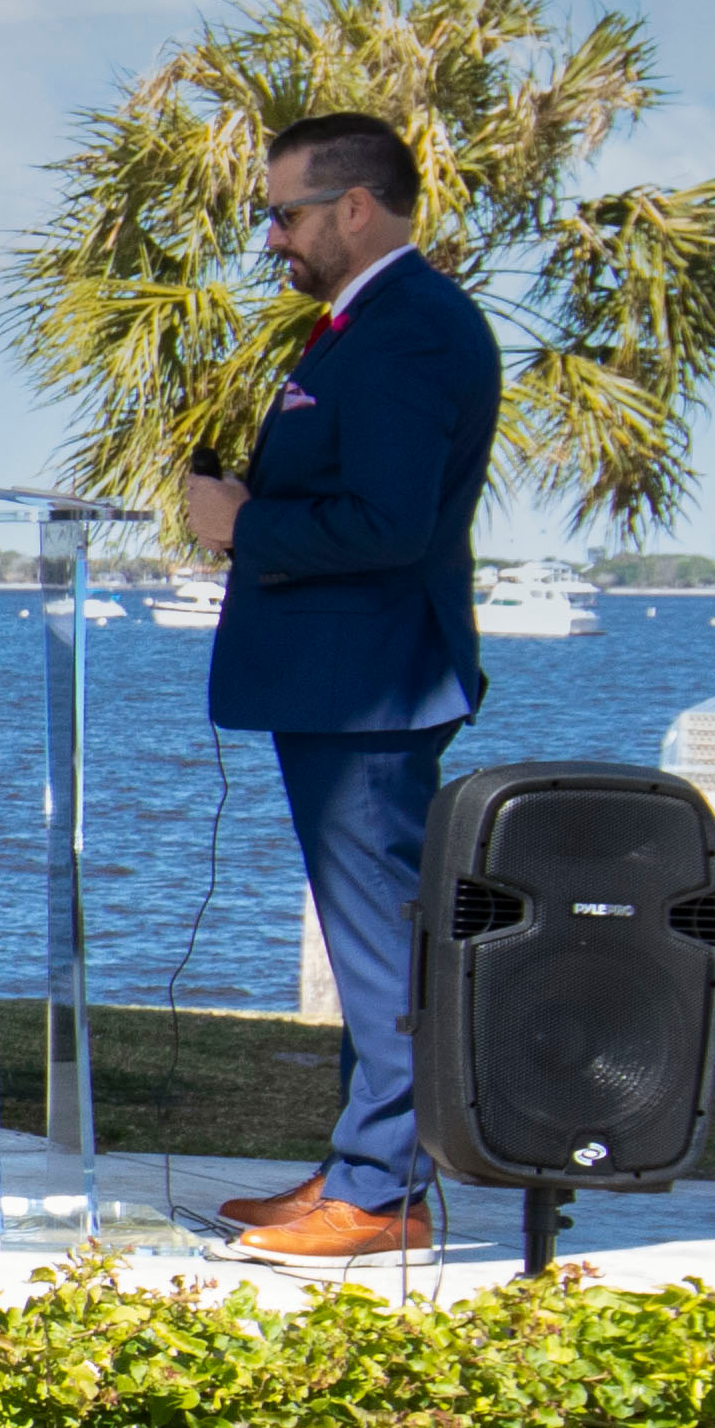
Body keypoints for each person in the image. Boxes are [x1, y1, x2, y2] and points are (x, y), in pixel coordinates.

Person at [188, 116, 503, 1262]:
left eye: (285, 212)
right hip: (339, 674)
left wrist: (243, 523)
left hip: (372, 682)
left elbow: (388, 520)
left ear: (356, 207)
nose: (272, 236)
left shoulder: (411, 330)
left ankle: (384, 1191)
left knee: (382, 944)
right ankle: (362, 1164)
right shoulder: (360, 326)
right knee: (369, 934)